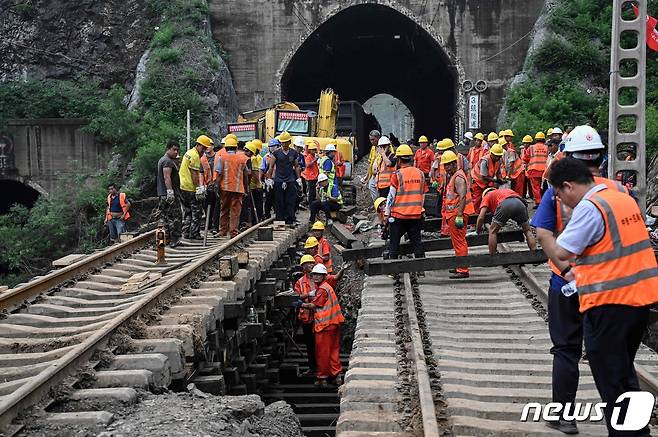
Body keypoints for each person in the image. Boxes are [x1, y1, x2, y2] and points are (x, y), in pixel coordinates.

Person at [545, 157, 658, 436]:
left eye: (559, 195)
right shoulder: (622, 199)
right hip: (639, 299)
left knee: (612, 379)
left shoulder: (591, 207)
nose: (561, 201)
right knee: (621, 372)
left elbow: (561, 251)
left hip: (610, 303)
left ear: (568, 187)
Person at [532, 125, 631, 435]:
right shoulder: (620, 190)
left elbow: (543, 232)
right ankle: (626, 419)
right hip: (610, 286)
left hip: (567, 284)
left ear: (567, 157)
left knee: (566, 349)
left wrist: (563, 265)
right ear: (600, 158)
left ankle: (564, 416)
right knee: (617, 352)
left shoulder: (556, 189)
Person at [300, 263, 345, 387]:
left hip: (324, 326)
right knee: (333, 351)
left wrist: (300, 304)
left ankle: (322, 377)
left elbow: (313, 305)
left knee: (322, 352)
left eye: (318, 275)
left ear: (324, 276)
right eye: (314, 274)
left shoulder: (322, 290)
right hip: (334, 324)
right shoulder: (326, 287)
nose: (315, 277)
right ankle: (337, 376)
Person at [385, 144, 425, 260]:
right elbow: (422, 195)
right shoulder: (420, 174)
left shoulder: (397, 175)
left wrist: (387, 214)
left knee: (394, 242)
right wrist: (420, 210)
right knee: (417, 242)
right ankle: (420, 267)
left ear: (398, 159)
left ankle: (393, 269)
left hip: (399, 216)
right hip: (416, 215)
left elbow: (391, 196)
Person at [442, 151, 475, 279]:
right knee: (457, 241)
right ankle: (459, 265)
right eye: (444, 165)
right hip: (453, 213)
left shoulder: (458, 177)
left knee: (460, 241)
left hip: (457, 214)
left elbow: (462, 196)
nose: (445, 168)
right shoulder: (455, 175)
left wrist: (460, 215)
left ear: (453, 164)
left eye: (447, 165)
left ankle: (463, 269)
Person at [475, 187, 535, 254]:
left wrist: (477, 231)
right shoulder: (507, 190)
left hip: (505, 205)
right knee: (527, 230)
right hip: (520, 204)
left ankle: (492, 255)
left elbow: (481, 217)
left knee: (492, 231)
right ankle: (534, 254)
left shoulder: (487, 195)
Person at [431, 138, 469, 234]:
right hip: (445, 188)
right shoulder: (440, 158)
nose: (442, 152)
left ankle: (451, 231)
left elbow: (468, 171)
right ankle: (446, 231)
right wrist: (435, 180)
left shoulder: (460, 158)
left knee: (454, 212)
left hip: (457, 189)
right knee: (445, 210)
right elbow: (434, 170)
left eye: (444, 150)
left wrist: (468, 186)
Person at [215, 136, 250, 237]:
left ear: (225, 148)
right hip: (238, 189)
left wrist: (216, 186)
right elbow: (246, 175)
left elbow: (219, 174)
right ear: (236, 148)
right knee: (235, 212)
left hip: (225, 189)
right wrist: (246, 188)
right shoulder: (242, 159)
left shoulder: (222, 158)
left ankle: (222, 230)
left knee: (224, 209)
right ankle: (233, 232)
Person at [265, 132, 302, 225]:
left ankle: (290, 219)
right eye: (282, 142)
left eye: (286, 142)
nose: (284, 144)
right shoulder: (276, 153)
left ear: (289, 142)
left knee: (290, 200)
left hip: (290, 179)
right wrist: (269, 178)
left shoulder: (293, 153)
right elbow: (271, 166)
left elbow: (296, 166)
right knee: (279, 201)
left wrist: (298, 178)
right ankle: (280, 219)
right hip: (278, 180)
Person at [179, 135, 212, 240]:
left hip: (182, 186)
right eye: (203, 148)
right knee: (196, 211)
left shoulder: (189, 153)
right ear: (198, 145)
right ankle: (194, 234)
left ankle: (186, 232)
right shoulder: (195, 156)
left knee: (188, 211)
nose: (204, 151)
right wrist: (199, 188)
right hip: (190, 188)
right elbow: (194, 174)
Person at [294, 254, 319, 375]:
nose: (311, 265)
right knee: (310, 344)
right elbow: (296, 298)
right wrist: (308, 294)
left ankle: (322, 368)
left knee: (320, 344)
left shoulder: (318, 278)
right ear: (303, 266)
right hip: (307, 318)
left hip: (319, 317)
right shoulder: (300, 282)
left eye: (312, 263)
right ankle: (312, 367)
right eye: (308, 263)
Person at [156, 140, 182, 248]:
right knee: (175, 217)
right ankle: (174, 240)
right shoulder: (167, 162)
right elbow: (167, 177)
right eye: (174, 149)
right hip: (169, 194)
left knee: (165, 217)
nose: (176, 152)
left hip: (162, 194)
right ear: (168, 148)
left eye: (177, 150)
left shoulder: (162, 160)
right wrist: (170, 192)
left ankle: (166, 240)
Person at [471, 139, 504, 211]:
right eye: (496, 156)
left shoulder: (499, 160)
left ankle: (487, 213)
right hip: (477, 181)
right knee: (477, 200)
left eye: (499, 156)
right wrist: (496, 180)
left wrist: (501, 179)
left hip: (486, 182)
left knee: (489, 198)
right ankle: (475, 216)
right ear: (491, 154)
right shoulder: (485, 161)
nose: (497, 158)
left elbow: (498, 172)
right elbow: (484, 176)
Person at [523, 131, 548, 207]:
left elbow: (525, 158)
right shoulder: (547, 147)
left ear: (536, 139)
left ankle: (538, 202)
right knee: (544, 186)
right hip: (545, 170)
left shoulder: (531, 148)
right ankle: (546, 202)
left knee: (535, 187)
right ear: (544, 139)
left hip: (534, 170)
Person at [201, 144, 219, 234]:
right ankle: (209, 225)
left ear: (213, 146)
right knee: (207, 206)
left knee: (216, 206)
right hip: (206, 186)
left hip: (216, 185)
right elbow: (200, 172)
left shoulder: (218, 156)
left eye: (209, 145)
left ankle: (215, 226)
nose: (207, 147)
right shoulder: (202, 158)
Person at [501, 130, 525, 197]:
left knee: (518, 189)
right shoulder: (505, 150)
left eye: (511, 137)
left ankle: (519, 202)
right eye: (509, 136)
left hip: (518, 171)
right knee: (514, 189)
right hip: (514, 172)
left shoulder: (510, 149)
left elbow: (511, 163)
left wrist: (507, 175)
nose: (511, 138)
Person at [245, 141, 263, 223]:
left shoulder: (252, 158)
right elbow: (255, 172)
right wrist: (259, 182)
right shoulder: (255, 158)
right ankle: (255, 220)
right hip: (253, 185)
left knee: (252, 204)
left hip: (250, 185)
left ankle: (253, 220)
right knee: (255, 204)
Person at [362, 130, 382, 201]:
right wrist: (367, 176)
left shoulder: (384, 147)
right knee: (371, 186)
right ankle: (377, 203)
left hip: (382, 174)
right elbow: (370, 163)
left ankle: (380, 203)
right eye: (370, 140)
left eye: (373, 139)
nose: (371, 141)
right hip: (374, 174)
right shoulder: (373, 148)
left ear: (378, 138)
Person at [261, 139, 279, 219]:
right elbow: (262, 169)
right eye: (270, 147)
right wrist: (262, 180)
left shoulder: (280, 156)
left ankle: (278, 215)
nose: (272, 148)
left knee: (278, 199)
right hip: (269, 180)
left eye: (273, 146)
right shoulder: (266, 157)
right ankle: (267, 215)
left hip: (279, 180)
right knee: (269, 199)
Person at [302, 139, 320, 204]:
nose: (314, 151)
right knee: (311, 193)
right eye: (313, 150)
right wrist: (314, 160)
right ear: (310, 150)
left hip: (314, 177)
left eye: (315, 149)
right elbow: (307, 165)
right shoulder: (309, 157)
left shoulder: (313, 156)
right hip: (310, 177)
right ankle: (311, 204)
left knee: (314, 192)